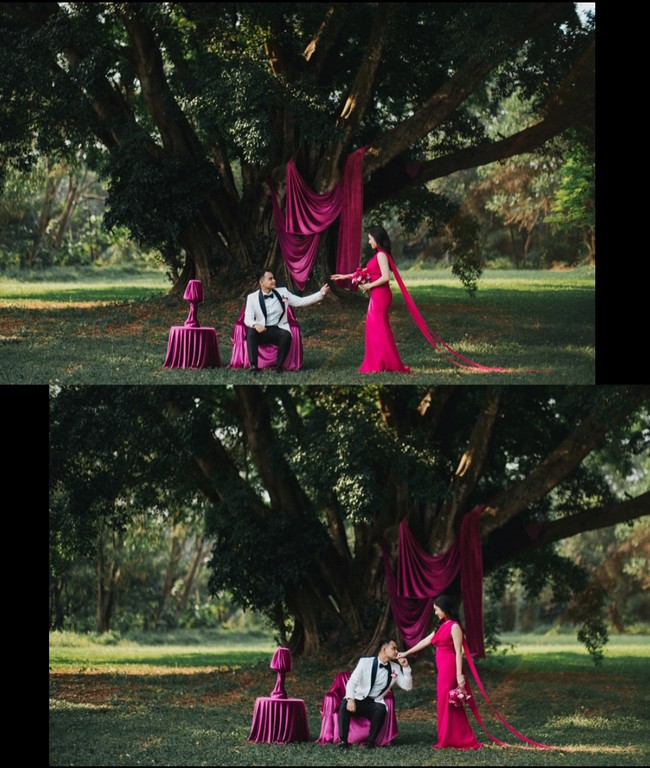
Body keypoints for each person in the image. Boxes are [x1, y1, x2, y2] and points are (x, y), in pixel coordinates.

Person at [397, 595, 483, 750]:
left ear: (444, 609)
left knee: (450, 702)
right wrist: (406, 653)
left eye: (436, 610)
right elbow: (425, 641)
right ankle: (448, 737)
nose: (435, 613)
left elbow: (458, 652)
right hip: (442, 670)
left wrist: (459, 675)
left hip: (450, 669)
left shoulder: (454, 627)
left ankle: (461, 738)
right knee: (446, 703)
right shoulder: (442, 625)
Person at [331, 226, 410, 373]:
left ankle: (384, 362)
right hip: (377, 295)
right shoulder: (379, 254)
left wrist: (369, 285)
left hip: (381, 295)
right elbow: (367, 272)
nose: (368, 242)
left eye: (370, 239)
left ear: (377, 239)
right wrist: (345, 276)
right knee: (376, 328)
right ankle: (382, 361)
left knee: (379, 328)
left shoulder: (381, 255)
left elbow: (386, 277)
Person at [243, 269, 329, 373]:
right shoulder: (252, 297)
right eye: (270, 279)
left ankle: (278, 367)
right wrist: (256, 325)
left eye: (273, 278)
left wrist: (320, 294)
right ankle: (253, 367)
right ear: (261, 282)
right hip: (262, 330)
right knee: (251, 332)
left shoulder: (283, 292)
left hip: (277, 329)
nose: (274, 280)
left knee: (286, 335)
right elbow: (247, 318)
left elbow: (301, 301)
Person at [338, 637, 413, 749]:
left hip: (374, 702)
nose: (397, 651)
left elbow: (407, 687)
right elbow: (352, 682)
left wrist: (406, 667)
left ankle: (370, 743)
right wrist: (350, 699)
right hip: (358, 699)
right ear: (384, 649)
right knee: (344, 705)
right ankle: (343, 742)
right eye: (394, 648)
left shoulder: (396, 668)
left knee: (381, 709)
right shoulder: (365, 662)